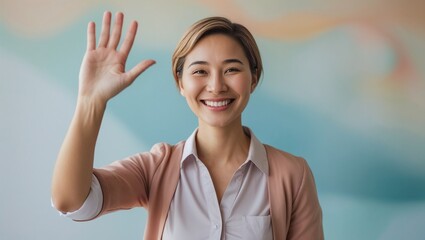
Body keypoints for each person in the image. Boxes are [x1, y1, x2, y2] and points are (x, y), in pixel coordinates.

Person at [51, 11, 324, 240]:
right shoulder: (156, 168)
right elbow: (71, 202)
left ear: (253, 78)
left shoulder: (293, 175)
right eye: (200, 71)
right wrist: (91, 102)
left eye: (231, 69)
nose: (216, 86)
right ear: (180, 83)